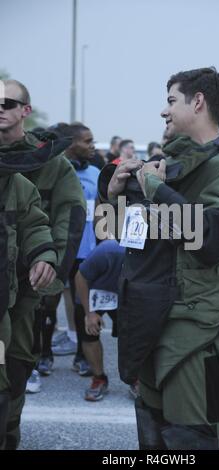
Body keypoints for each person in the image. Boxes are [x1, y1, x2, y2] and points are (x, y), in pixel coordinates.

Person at [98, 67, 219, 450]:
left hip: (200, 332)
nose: (163, 112)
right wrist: (114, 194)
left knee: (189, 442)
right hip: (155, 322)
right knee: (152, 439)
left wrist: (154, 187)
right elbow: (119, 232)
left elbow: (212, 237)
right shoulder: (177, 166)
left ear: (197, 102)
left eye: (170, 101)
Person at [0, 80, 86, 449]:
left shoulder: (52, 164)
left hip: (28, 289)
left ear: (25, 110)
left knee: (16, 368)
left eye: (7, 102)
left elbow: (66, 222)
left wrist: (50, 276)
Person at [0, 84, 60, 449]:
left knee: (6, 391)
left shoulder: (15, 182)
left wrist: (45, 258)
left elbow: (37, 226)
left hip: (8, 307)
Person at [52, 123, 99, 377]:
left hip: (86, 252)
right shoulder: (55, 172)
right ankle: (43, 357)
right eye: (87, 141)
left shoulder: (95, 172)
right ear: (71, 144)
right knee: (48, 304)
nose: (92, 145)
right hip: (60, 249)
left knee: (83, 306)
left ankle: (82, 355)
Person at [75, 239, 125, 400]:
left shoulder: (149, 255)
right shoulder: (107, 251)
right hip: (94, 291)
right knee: (88, 331)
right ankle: (99, 378)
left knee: (134, 335)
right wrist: (89, 313)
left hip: (125, 294)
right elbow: (80, 277)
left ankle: (137, 379)